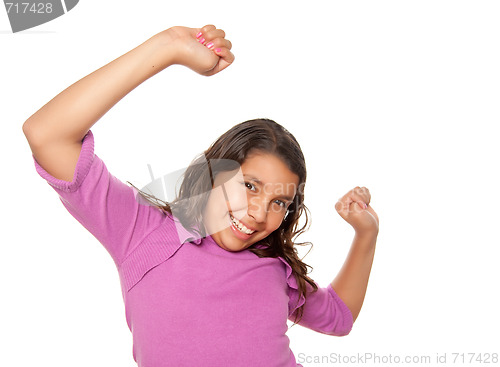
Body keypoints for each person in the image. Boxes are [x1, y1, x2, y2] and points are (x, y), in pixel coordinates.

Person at [23, 24, 379, 367]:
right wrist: (168, 46)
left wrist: (366, 233)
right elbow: (46, 134)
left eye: (279, 202)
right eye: (250, 186)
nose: (258, 213)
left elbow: (339, 317)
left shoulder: (275, 268)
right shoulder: (143, 232)